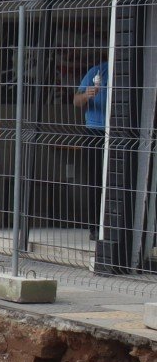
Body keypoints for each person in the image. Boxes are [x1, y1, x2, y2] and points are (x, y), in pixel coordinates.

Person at [73, 57, 108, 239]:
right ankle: (95, 226)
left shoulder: (131, 71)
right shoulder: (97, 71)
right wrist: (87, 95)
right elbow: (76, 101)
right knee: (95, 181)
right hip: (95, 131)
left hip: (119, 132)